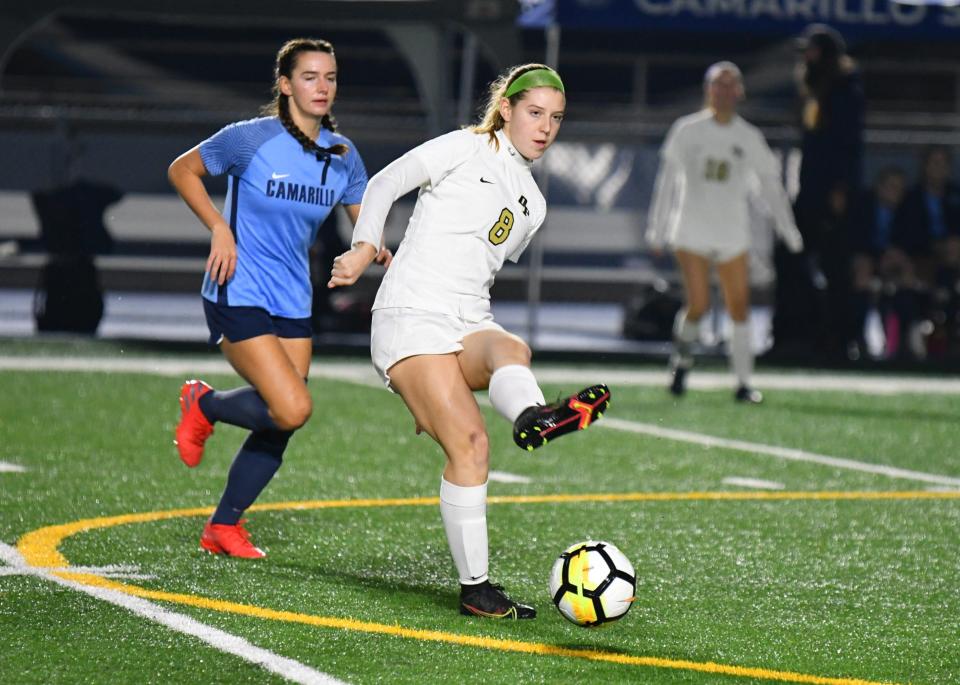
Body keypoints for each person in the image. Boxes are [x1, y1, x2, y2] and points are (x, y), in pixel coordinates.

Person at [327, 64, 610, 620]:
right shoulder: (464, 146)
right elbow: (382, 183)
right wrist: (364, 248)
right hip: (410, 316)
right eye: (535, 113)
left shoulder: (534, 203)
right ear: (505, 108)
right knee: (472, 447)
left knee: (512, 349)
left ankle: (533, 416)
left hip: (467, 319)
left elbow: (475, 266)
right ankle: (476, 589)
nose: (546, 127)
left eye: (556, 118)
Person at [167, 38, 390, 558]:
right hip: (236, 285)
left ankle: (223, 526)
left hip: (293, 298)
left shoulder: (343, 154)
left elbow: (367, 229)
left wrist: (378, 254)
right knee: (292, 405)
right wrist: (220, 228)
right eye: (310, 77)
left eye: (330, 77)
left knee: (284, 417)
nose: (322, 87)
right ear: (286, 85)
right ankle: (205, 404)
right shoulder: (252, 139)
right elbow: (182, 169)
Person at [645, 61, 804, 404]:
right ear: (708, 90)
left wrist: (788, 230)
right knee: (699, 305)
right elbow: (667, 182)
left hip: (732, 231)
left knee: (739, 307)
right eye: (718, 84)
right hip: (690, 230)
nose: (724, 91)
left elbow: (770, 186)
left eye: (731, 85)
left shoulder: (748, 136)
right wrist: (656, 229)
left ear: (740, 92)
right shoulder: (687, 130)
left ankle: (744, 383)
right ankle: (681, 361)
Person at [772, 23, 864, 360]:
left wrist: (840, 188)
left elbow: (848, 145)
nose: (807, 56)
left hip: (832, 190)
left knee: (836, 265)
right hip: (811, 187)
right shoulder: (814, 89)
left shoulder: (845, 89)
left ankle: (840, 339)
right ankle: (800, 331)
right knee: (789, 253)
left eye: (812, 50)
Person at [884, 145, 960, 358]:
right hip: (921, 260)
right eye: (934, 163)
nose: (939, 168)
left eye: (943, 163)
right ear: (924, 167)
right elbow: (903, 237)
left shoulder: (955, 196)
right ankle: (913, 338)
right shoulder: (911, 199)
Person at [847, 166, 907, 359]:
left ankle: (900, 344)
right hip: (868, 262)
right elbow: (855, 241)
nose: (895, 192)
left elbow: (914, 243)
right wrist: (878, 257)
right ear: (879, 187)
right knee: (863, 274)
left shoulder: (908, 212)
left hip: (895, 265)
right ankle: (857, 340)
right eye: (890, 186)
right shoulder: (862, 207)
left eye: (899, 188)